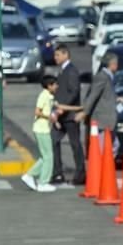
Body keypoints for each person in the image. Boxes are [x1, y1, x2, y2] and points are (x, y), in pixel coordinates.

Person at [50, 44, 85, 185]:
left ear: (66, 55)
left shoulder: (71, 71)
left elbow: (73, 92)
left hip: (70, 115)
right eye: (55, 55)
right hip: (60, 115)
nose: (55, 58)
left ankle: (80, 174)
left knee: (75, 144)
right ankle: (58, 173)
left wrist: (62, 108)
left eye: (58, 55)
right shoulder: (62, 71)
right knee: (53, 140)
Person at [21, 75, 60, 193]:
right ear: (49, 86)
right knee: (49, 156)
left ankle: (29, 175)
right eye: (55, 84)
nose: (57, 86)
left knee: (45, 156)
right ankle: (43, 182)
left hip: (42, 129)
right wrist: (50, 117)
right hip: (41, 129)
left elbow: (55, 108)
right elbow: (37, 111)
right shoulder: (43, 96)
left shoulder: (49, 96)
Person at [82, 52, 122, 152]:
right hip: (102, 120)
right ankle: (100, 167)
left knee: (113, 145)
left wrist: (116, 99)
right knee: (102, 148)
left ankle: (105, 166)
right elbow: (93, 95)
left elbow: (105, 95)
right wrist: (84, 112)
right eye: (116, 63)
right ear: (112, 64)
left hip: (108, 120)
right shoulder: (102, 77)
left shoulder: (109, 77)